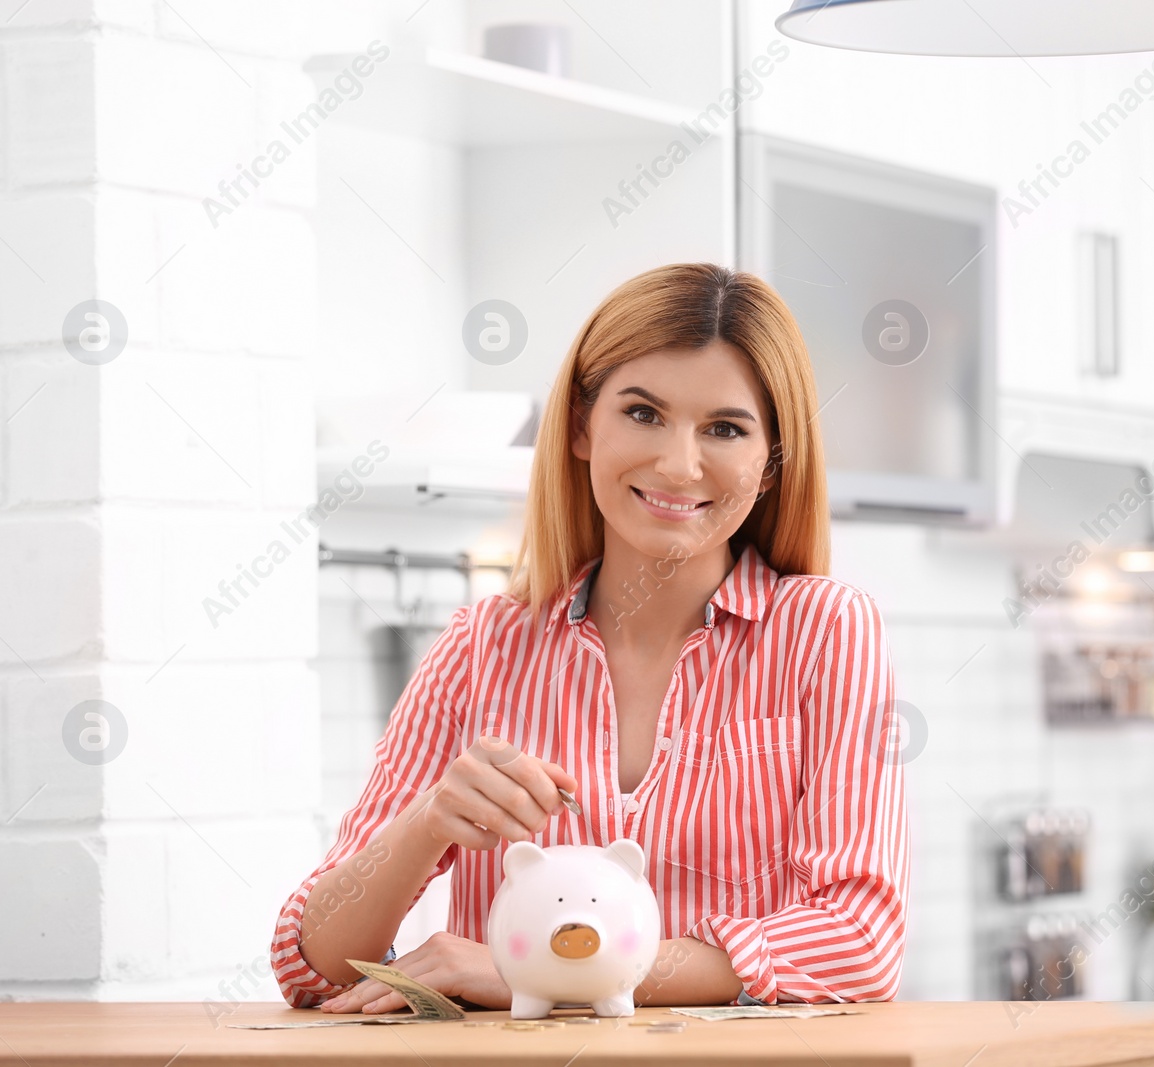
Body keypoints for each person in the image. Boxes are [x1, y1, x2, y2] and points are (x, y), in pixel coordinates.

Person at [270, 262, 909, 1012]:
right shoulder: (484, 644)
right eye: (643, 413)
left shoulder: (825, 631)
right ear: (580, 425)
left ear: (771, 464)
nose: (678, 462)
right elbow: (310, 967)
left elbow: (860, 945)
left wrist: (549, 971)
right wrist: (424, 823)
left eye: (725, 428)